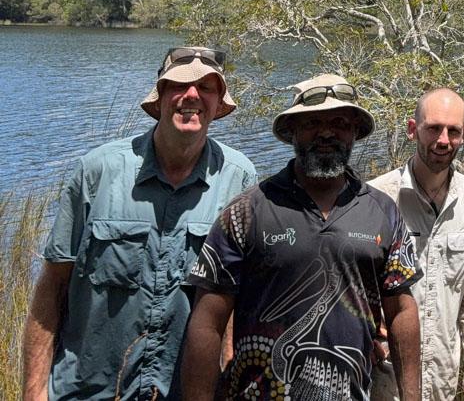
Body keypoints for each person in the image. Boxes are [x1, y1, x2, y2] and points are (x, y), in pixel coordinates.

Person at [21, 46, 257, 401]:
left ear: (218, 102)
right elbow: (52, 288)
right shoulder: (96, 171)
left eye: (207, 87)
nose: (192, 95)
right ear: (160, 96)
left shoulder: (239, 178)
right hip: (86, 390)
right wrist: (33, 391)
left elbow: (233, 300)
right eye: (179, 84)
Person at [182, 73, 422, 401]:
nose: (325, 132)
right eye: (311, 123)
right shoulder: (247, 211)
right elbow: (207, 321)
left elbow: (402, 311)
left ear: (354, 131)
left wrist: (412, 396)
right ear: (293, 131)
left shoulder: (384, 213)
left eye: (338, 121)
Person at [368, 88, 464, 401]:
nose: (443, 140)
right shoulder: (376, 199)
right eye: (433, 128)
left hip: (444, 373)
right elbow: (351, 284)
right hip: (385, 374)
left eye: (453, 131)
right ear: (413, 129)